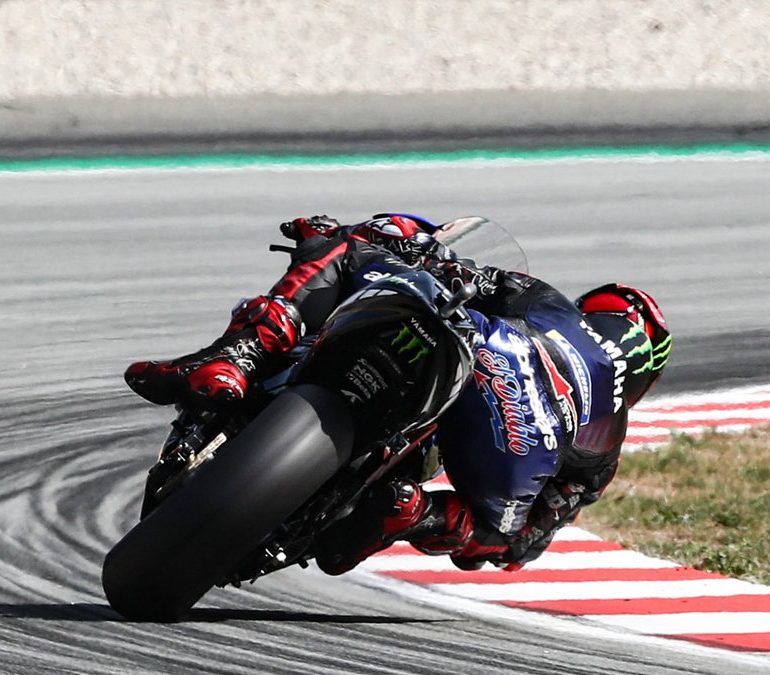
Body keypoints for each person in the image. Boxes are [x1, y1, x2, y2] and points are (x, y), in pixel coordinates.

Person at [124, 213, 671, 573]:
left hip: (484, 367)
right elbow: (518, 546)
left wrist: (372, 234)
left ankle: (237, 357)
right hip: (511, 441)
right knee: (496, 532)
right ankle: (407, 512)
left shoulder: (546, 302)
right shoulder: (604, 438)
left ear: (592, 310)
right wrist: (436, 520)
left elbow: (451, 264)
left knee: (342, 247)